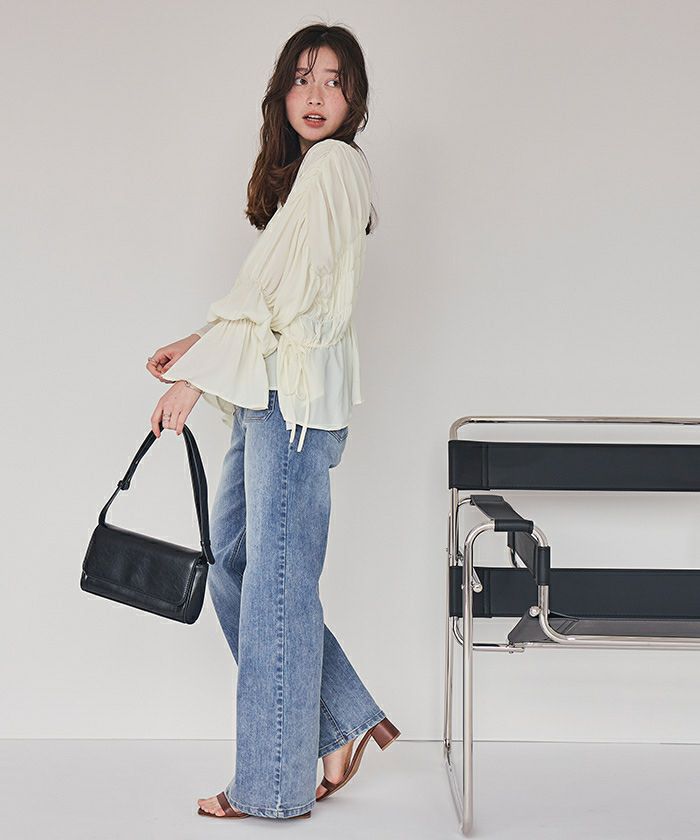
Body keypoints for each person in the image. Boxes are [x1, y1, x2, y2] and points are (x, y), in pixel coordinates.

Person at [144, 24, 399, 821]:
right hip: (269, 398)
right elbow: (272, 291)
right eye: (302, 78)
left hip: (291, 406)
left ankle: (273, 786)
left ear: (354, 98)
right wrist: (201, 343)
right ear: (282, 93)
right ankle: (342, 720)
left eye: (333, 80)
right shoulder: (308, 177)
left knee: (276, 587)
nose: (316, 95)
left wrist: (195, 375)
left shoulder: (334, 166)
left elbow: (288, 304)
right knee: (234, 564)